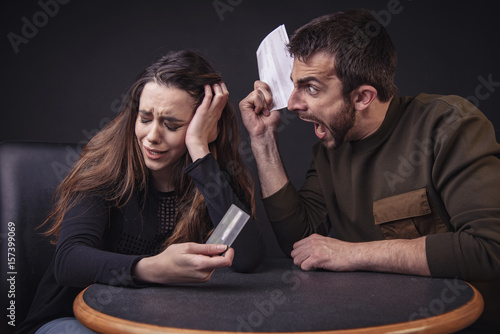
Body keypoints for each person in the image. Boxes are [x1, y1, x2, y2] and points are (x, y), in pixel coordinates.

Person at [239, 9, 500, 329]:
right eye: (294, 85)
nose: (292, 104)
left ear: (363, 96)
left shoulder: (447, 124)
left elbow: (489, 249)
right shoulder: (330, 149)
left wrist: (351, 254)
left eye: (311, 88)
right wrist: (263, 141)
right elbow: (301, 241)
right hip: (370, 323)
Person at [17, 50, 266, 334]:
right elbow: (69, 261)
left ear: (206, 125)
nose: (152, 136)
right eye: (145, 118)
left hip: (154, 326)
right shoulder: (104, 170)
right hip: (70, 321)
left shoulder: (213, 175)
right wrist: (153, 268)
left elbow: (247, 256)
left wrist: (199, 149)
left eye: (172, 125)